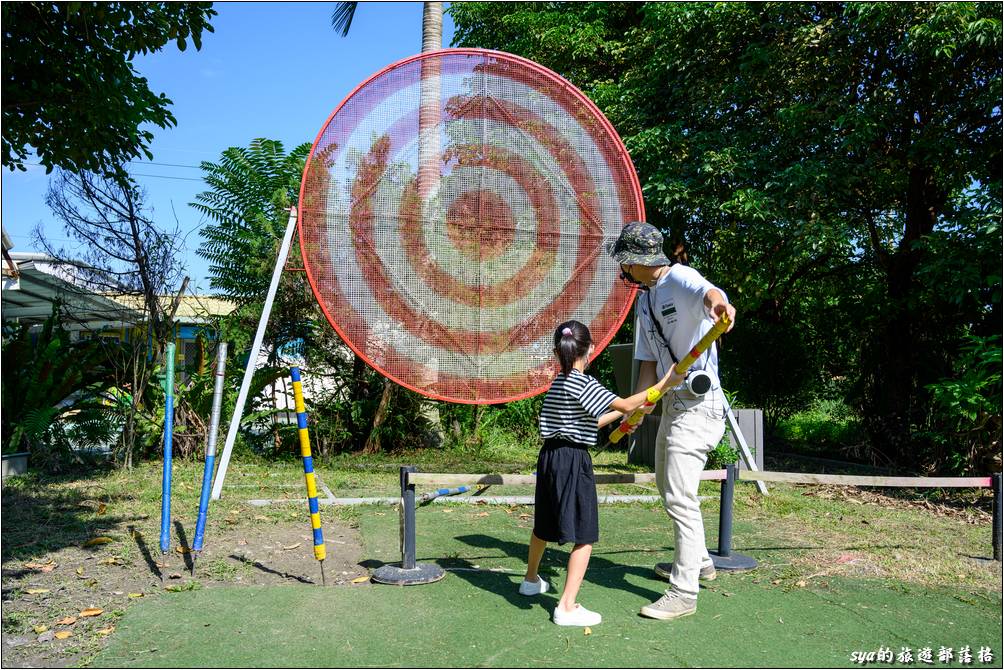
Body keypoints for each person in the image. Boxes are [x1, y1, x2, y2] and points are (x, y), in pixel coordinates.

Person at [518, 319, 685, 626]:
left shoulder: (559, 382)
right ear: (591, 350)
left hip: (550, 457)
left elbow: (587, 421)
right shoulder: (584, 383)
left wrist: (624, 417)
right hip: (572, 460)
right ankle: (566, 607)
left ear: (559, 352)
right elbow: (626, 402)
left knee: (544, 523)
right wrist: (665, 384)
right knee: (585, 535)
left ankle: (531, 580)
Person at [609, 221, 737, 621]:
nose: (623, 270)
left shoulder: (680, 277)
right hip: (672, 404)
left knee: (681, 495)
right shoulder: (645, 301)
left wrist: (720, 307)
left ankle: (684, 591)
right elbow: (647, 361)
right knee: (668, 485)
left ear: (637, 261)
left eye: (625, 263)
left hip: (700, 404)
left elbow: (709, 294)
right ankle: (699, 563)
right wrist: (641, 406)